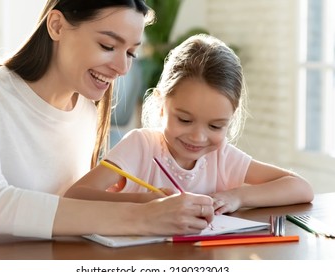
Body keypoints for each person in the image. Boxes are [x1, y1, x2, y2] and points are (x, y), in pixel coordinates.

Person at [0, 0, 215, 239]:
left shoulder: (87, 108)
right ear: (57, 25)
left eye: (130, 53)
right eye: (108, 46)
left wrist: (147, 202)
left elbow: (66, 204)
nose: (122, 67)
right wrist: (142, 217)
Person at [65, 34, 314, 214]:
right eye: (184, 119)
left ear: (231, 118)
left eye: (215, 126)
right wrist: (148, 202)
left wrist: (237, 196)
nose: (198, 137)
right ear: (162, 106)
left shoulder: (221, 157)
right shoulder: (140, 146)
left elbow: (301, 188)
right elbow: (75, 197)